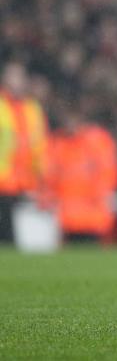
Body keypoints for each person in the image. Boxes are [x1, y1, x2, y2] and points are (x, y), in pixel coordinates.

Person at [46, 111, 117, 243]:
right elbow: (49, 175)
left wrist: (100, 194)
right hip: (68, 215)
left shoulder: (95, 141)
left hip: (91, 213)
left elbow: (108, 172)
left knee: (88, 250)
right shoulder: (57, 143)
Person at [0, 61, 50, 243]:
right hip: (2, 182)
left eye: (19, 76)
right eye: (12, 75)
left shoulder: (32, 109)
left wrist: (41, 180)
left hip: (24, 184)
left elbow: (39, 148)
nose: (17, 80)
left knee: (18, 240)